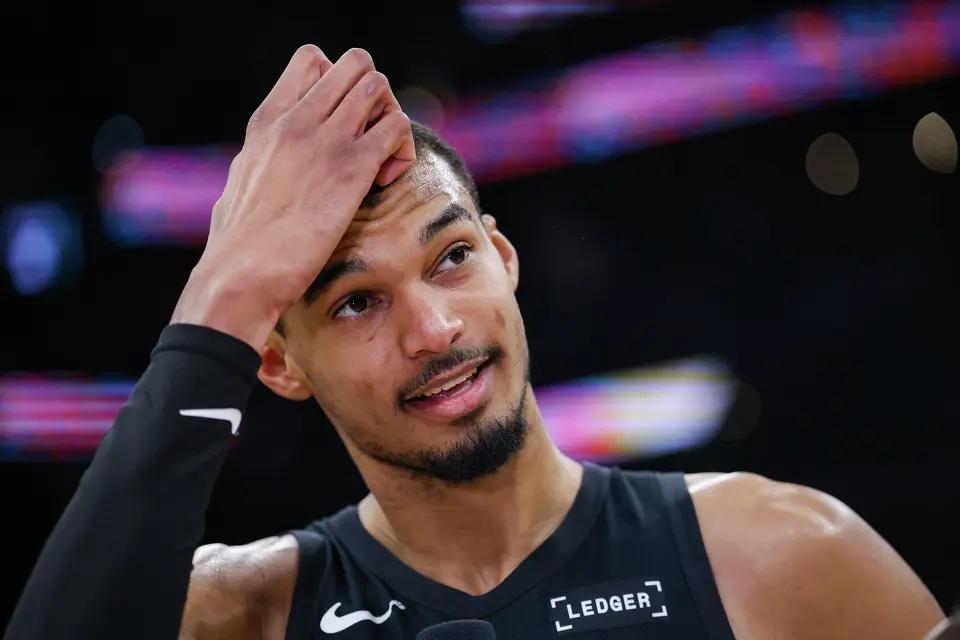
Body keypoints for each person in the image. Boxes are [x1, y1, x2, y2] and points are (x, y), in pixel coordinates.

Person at [5, 45, 946, 640]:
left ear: (503, 256)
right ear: (276, 360)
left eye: (452, 258)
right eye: (353, 305)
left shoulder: (779, 554)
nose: (434, 330)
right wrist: (223, 295)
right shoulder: (240, 613)